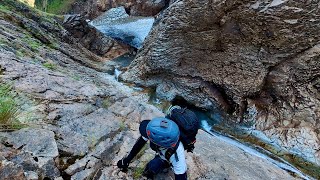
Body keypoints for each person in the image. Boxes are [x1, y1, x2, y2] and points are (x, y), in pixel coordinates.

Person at [117, 117, 188, 180]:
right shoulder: (157, 133)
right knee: (150, 169)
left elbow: (181, 176)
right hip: (164, 153)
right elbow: (140, 143)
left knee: (152, 168)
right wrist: (127, 160)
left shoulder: (177, 155)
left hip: (168, 157)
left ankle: (165, 162)